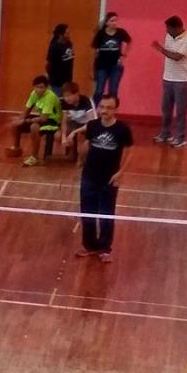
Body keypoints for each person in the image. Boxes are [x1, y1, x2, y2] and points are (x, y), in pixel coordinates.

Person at [77, 94, 133, 261]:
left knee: (106, 214)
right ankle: (89, 246)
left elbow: (130, 151)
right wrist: (80, 159)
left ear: (116, 110)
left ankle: (105, 248)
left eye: (109, 108)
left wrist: (120, 172)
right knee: (87, 212)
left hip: (109, 178)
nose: (104, 111)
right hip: (89, 175)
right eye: (102, 107)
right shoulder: (93, 125)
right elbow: (87, 144)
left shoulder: (122, 129)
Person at [155, 15, 187, 146]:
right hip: (167, 77)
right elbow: (169, 53)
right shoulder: (169, 36)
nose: (166, 31)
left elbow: (177, 57)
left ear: (177, 28)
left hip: (181, 80)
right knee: (166, 109)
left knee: (181, 110)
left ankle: (180, 137)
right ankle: (165, 134)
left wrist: (160, 49)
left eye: (168, 28)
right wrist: (163, 50)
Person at [10, 76, 63, 166]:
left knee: (34, 127)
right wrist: (20, 119)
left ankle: (34, 157)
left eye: (41, 87)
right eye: (37, 87)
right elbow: (27, 110)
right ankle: (16, 148)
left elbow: (44, 118)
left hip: (53, 120)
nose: (39, 90)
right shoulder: (34, 93)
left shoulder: (50, 96)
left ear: (47, 87)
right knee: (15, 122)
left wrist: (25, 121)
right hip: (42, 117)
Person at [89, 12, 130, 103]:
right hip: (102, 66)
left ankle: (112, 108)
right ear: (107, 22)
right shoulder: (100, 34)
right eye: (112, 21)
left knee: (113, 91)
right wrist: (92, 68)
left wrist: (124, 55)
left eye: (116, 21)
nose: (114, 23)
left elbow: (129, 41)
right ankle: (96, 108)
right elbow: (94, 50)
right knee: (99, 90)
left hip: (116, 66)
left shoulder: (120, 32)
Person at [56, 81, 95, 162]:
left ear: (77, 94)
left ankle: (82, 158)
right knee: (58, 135)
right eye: (65, 96)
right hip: (75, 123)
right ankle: (72, 151)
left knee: (80, 136)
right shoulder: (64, 102)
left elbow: (91, 123)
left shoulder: (86, 101)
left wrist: (74, 132)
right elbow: (64, 120)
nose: (66, 99)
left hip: (86, 125)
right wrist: (63, 136)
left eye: (69, 96)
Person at [44, 23, 74, 92]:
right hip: (57, 83)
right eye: (67, 33)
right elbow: (49, 64)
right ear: (60, 35)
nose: (69, 35)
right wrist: (48, 78)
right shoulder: (54, 47)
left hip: (68, 81)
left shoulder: (69, 43)